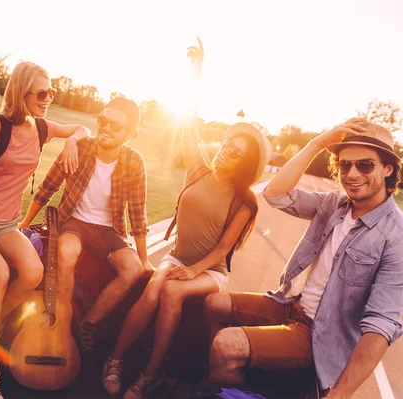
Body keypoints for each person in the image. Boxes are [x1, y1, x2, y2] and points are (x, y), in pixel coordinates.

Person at [100, 39, 270, 399]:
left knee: (173, 291)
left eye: (236, 152)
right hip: (178, 259)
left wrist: (194, 271)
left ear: (245, 163)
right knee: (153, 289)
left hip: (210, 273)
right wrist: (196, 71)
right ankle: (114, 361)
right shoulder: (198, 169)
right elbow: (189, 120)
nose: (226, 152)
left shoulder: (245, 201)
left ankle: (149, 375)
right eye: (227, 145)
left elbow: (223, 249)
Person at [204, 118, 403, 398]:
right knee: (214, 303)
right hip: (290, 306)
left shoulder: (396, 235)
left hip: (320, 336)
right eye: (345, 164)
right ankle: (247, 382)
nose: (352, 173)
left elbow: (381, 324)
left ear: (388, 169)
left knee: (225, 345)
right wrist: (319, 142)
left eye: (365, 164)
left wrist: (341, 393)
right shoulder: (333, 204)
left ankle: (243, 386)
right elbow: (277, 194)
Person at [0, 61, 90, 399]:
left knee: (32, 271)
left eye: (51, 91)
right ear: (21, 92)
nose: (48, 98)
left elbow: (82, 129)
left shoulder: (41, 128)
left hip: (6, 224)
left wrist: (71, 143)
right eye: (42, 92)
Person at [20, 97, 152, 363]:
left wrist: (145, 257)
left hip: (108, 230)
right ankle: (65, 324)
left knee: (134, 269)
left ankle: (86, 326)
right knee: (68, 250)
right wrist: (24, 224)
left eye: (116, 125)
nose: (106, 128)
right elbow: (47, 188)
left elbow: (137, 214)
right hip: (73, 221)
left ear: (130, 133)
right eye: (103, 120)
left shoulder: (135, 162)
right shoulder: (79, 148)